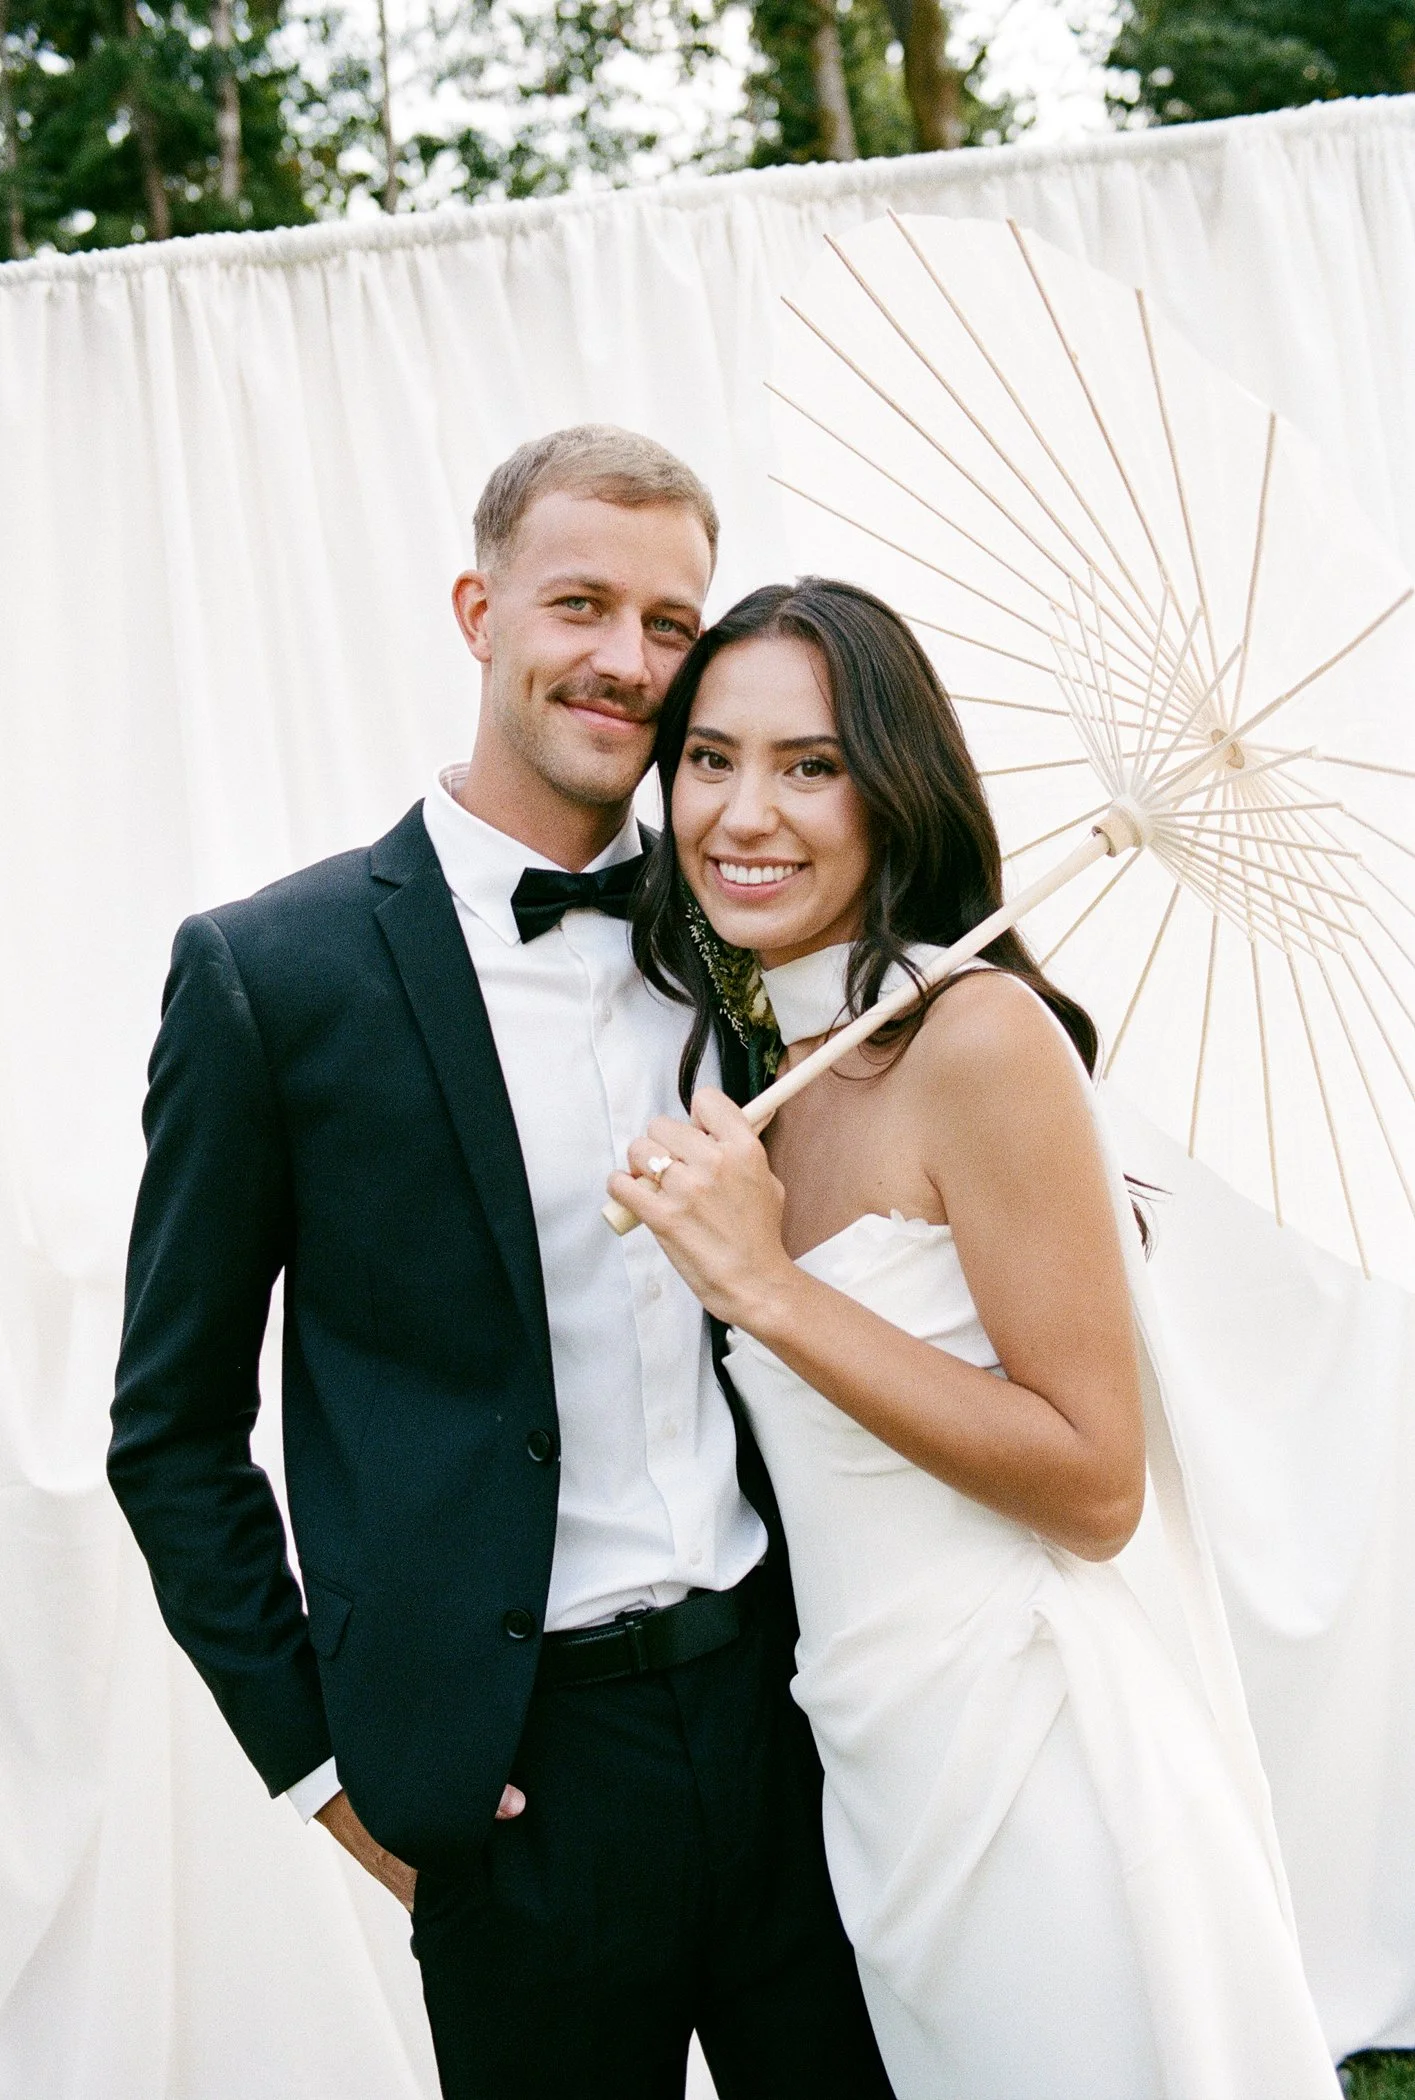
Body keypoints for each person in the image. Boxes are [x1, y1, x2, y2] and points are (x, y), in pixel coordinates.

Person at [107, 433, 894, 2100]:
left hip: (787, 1722)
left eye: (670, 624)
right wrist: (336, 1774)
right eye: (581, 604)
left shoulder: (740, 933)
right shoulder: (271, 976)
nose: (625, 660)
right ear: (480, 612)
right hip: (518, 1778)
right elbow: (168, 1435)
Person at [610, 576, 1344, 2100]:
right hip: (880, 1764)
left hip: (1037, 1763)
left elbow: (1092, 1485)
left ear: (896, 792)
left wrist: (769, 1291)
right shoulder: (785, 1070)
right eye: (709, 758)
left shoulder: (977, 1039)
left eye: (810, 766)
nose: (744, 812)